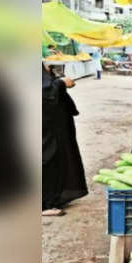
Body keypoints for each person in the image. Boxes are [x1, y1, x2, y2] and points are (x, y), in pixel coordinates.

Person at [42, 63, 88, 216]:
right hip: (46, 125)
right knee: (48, 158)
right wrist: (61, 83)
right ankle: (45, 204)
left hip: (54, 123)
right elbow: (42, 93)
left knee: (58, 159)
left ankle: (54, 197)